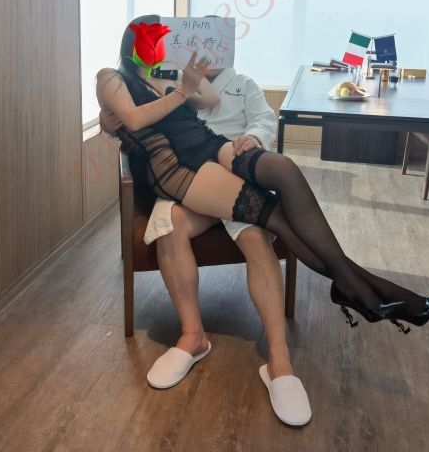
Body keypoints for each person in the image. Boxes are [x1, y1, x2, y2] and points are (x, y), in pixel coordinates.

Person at [97, 14, 429, 339]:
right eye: (160, 39)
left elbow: (211, 99)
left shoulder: (169, 77)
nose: (165, 46)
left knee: (284, 168)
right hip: (184, 167)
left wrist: (186, 77)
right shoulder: (111, 77)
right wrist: (177, 93)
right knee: (276, 215)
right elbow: (134, 120)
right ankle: (365, 289)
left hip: (212, 146)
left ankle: (355, 286)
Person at [100, 65, 311, 426]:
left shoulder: (242, 84)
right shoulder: (165, 79)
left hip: (232, 170)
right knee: (168, 224)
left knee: (254, 234)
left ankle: (279, 359)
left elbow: (264, 118)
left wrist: (253, 137)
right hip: (183, 177)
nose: (206, 50)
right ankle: (193, 335)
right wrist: (111, 122)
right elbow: (136, 118)